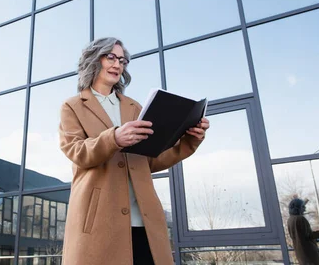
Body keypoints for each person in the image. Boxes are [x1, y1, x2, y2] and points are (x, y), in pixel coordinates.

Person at [58, 37, 209, 265]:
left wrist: (189, 141)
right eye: (110, 57)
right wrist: (114, 138)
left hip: (145, 222)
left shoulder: (135, 107)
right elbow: (76, 151)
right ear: (93, 59)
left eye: (122, 60)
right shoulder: (73, 106)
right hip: (100, 222)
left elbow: (151, 159)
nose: (118, 64)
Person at [287, 198, 319, 265]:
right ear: (298, 208)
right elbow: (310, 236)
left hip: (303, 255)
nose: (305, 209)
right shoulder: (300, 219)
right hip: (310, 255)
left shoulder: (290, 220)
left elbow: (303, 237)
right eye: (303, 207)